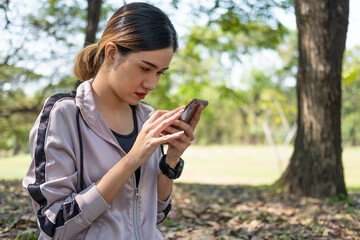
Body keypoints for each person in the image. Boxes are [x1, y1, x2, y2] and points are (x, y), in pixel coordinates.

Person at [22, 2, 203, 239]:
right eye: (144, 68)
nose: (152, 84)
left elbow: (155, 215)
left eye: (159, 72)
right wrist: (131, 160)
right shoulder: (63, 114)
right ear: (112, 53)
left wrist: (170, 162)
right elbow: (54, 223)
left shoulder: (147, 118)